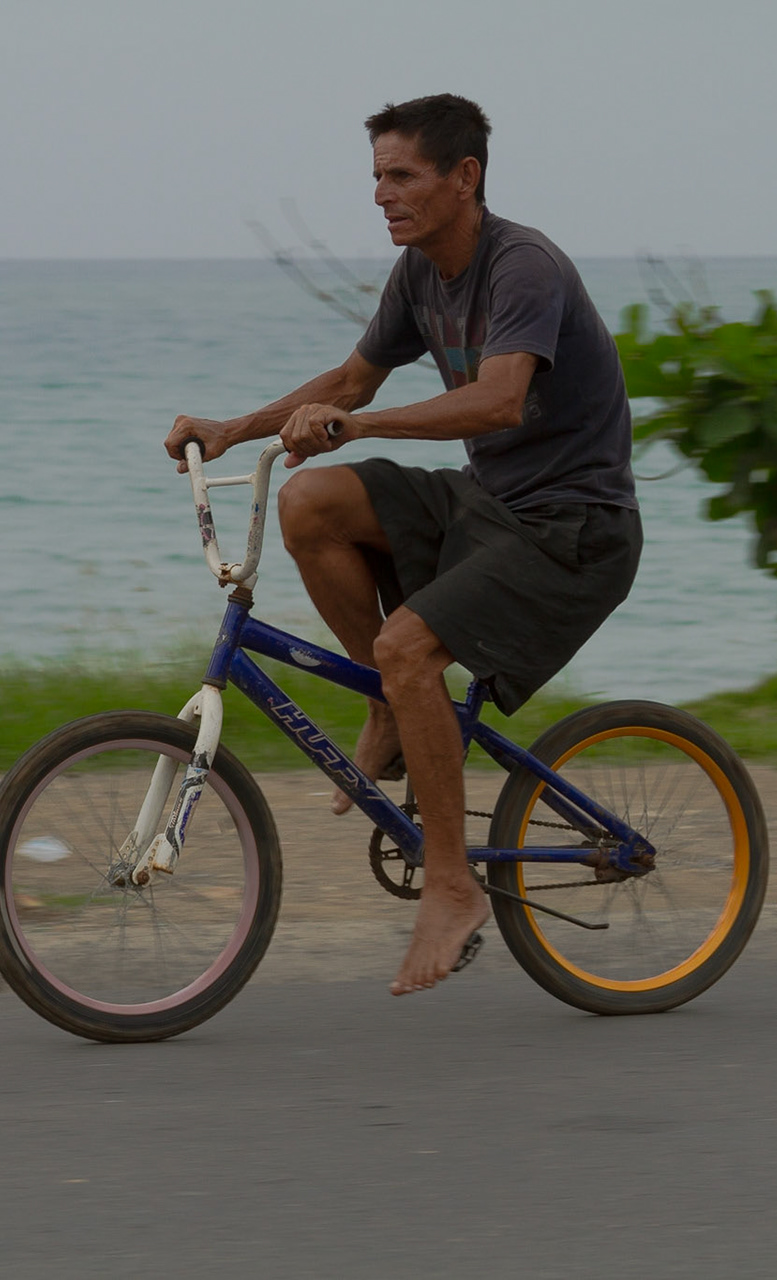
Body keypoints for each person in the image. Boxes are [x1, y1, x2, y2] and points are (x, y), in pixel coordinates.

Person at [165, 93, 640, 996]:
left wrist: (363, 425)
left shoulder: (523, 266)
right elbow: (351, 379)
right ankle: (390, 703)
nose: (382, 194)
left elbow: (500, 400)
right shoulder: (420, 272)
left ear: (465, 178)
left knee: (408, 647)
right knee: (311, 503)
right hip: (490, 504)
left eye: (402, 176)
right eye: (377, 176)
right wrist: (231, 429)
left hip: (574, 528)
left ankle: (454, 887)